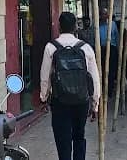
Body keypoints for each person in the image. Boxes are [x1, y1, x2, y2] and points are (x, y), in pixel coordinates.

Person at [40, 13, 101, 160]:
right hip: (81, 100)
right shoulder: (85, 48)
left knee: (63, 139)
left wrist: (44, 98)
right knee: (79, 136)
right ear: (75, 27)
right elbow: (94, 78)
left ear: (59, 27)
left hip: (60, 101)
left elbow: (45, 77)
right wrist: (95, 104)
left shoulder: (51, 47)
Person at [96, 9, 119, 96]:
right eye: (103, 14)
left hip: (112, 49)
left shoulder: (112, 24)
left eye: (106, 14)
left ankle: (110, 90)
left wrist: (118, 49)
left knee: (111, 70)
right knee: (101, 69)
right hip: (101, 49)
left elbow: (117, 37)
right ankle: (102, 89)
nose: (105, 16)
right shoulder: (97, 25)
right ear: (100, 16)